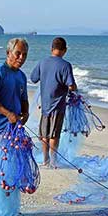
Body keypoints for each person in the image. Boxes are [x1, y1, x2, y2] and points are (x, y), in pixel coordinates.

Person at [31, 37, 77, 168]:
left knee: (44, 134)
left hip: (45, 106)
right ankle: (53, 161)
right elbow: (70, 85)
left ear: (51, 49)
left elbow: (33, 78)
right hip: (58, 106)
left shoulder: (42, 62)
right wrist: (74, 89)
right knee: (54, 135)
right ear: (65, 50)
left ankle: (45, 160)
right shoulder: (65, 65)